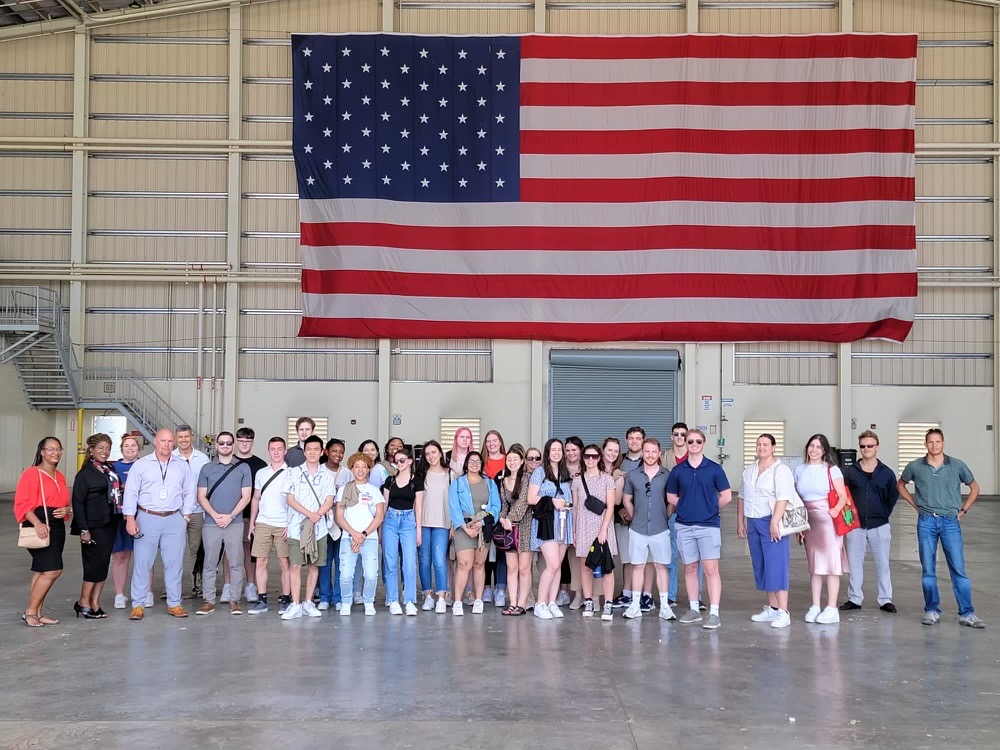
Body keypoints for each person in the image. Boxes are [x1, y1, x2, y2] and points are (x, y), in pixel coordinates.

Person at [898, 428, 985, 628]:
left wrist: (962, 510)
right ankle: (931, 610)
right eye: (931, 442)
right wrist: (915, 505)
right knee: (928, 569)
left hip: (950, 522)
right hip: (926, 521)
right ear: (925, 444)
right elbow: (900, 485)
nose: (934, 445)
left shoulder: (957, 465)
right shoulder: (915, 466)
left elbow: (975, 488)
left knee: (958, 569)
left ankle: (967, 613)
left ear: (943, 443)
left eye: (938, 442)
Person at [123, 428, 198, 621]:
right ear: (155, 441)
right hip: (147, 517)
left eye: (170, 441)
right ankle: (138, 604)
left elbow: (190, 489)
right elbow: (131, 492)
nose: (166, 444)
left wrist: (186, 515)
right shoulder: (141, 465)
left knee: (174, 563)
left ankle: (174, 603)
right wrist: (130, 518)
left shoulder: (181, 465)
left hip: (174, 518)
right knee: (142, 562)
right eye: (163, 441)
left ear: (174, 443)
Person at [666, 429, 731, 630]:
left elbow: (726, 496)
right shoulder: (678, 471)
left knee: (711, 569)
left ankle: (714, 613)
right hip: (684, 526)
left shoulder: (714, 469)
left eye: (698, 441)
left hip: (708, 526)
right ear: (685, 442)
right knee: (690, 568)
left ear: (704, 443)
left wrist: (709, 510)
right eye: (690, 441)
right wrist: (686, 508)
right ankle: (694, 609)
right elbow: (671, 497)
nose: (694, 444)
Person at [737, 433, 794, 629]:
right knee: (761, 565)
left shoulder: (781, 470)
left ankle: (783, 611)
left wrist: (774, 522)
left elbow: (783, 498)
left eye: (765, 444)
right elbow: (742, 496)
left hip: (771, 521)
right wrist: (740, 522)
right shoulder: (750, 470)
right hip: (753, 522)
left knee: (776, 565)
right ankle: (772, 608)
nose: (761, 447)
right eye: (759, 444)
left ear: (773, 447)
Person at [793, 434, 850, 625]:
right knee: (814, 566)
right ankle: (815, 605)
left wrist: (834, 511)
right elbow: (795, 498)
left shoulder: (832, 470)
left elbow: (842, 495)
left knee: (832, 565)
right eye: (811, 446)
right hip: (809, 521)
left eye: (818, 447)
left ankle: (832, 608)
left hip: (828, 521)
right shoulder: (799, 470)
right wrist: (799, 524)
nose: (814, 450)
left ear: (825, 451)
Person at [15, 437, 71, 627]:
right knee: (53, 569)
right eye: (51, 449)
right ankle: (30, 612)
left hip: (56, 526)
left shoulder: (60, 476)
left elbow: (64, 502)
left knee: (42, 571)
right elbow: (22, 503)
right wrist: (37, 523)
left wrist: (67, 510)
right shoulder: (32, 474)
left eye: (59, 449)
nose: (56, 452)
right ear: (42, 452)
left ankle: (37, 612)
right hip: (38, 525)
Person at [841, 431, 899, 614]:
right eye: (863, 446)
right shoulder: (850, 472)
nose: (866, 449)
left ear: (877, 447)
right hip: (855, 527)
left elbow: (892, 496)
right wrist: (849, 519)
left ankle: (885, 599)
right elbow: (844, 496)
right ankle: (854, 598)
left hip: (879, 525)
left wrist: (883, 513)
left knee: (882, 564)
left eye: (870, 446)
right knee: (854, 564)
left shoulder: (887, 474)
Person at [195, 431, 252, 616]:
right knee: (210, 563)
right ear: (217, 446)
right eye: (222, 443)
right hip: (212, 523)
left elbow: (246, 496)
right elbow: (201, 496)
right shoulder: (206, 469)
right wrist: (215, 514)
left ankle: (235, 600)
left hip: (234, 523)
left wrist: (231, 515)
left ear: (233, 445)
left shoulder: (243, 468)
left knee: (236, 563)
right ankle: (208, 600)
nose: (225, 446)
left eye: (229, 443)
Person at [281, 435, 335, 620]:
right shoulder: (293, 473)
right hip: (297, 527)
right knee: (295, 565)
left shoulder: (327, 474)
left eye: (316, 449)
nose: (312, 452)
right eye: (309, 449)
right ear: (304, 452)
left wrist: (317, 515)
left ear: (322, 452)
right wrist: (309, 514)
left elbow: (330, 499)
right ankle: (295, 604)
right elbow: (290, 499)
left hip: (319, 529)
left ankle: (308, 602)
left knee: (314, 565)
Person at [70, 433, 122, 619]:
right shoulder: (84, 474)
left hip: (109, 523)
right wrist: (84, 530)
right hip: (92, 526)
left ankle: (95, 602)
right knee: (93, 565)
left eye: (107, 448)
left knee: (102, 565)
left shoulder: (109, 468)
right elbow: (78, 503)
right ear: (91, 450)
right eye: (100, 448)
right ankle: (83, 602)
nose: (104, 452)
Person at [621, 437, 673, 621]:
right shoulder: (633, 476)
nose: (650, 455)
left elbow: (671, 501)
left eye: (654, 452)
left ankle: (665, 606)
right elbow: (626, 498)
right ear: (642, 452)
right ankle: (635, 605)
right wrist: (635, 515)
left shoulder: (667, 475)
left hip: (660, 529)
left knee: (661, 566)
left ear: (659, 454)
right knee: (638, 566)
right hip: (637, 529)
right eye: (647, 451)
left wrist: (664, 516)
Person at [449, 450, 501, 615]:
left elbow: (496, 507)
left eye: (478, 461)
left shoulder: (489, 483)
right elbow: (454, 507)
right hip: (463, 528)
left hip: (482, 528)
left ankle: (478, 600)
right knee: (464, 565)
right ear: (466, 464)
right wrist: (465, 528)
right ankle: (458, 601)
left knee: (479, 565)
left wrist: (482, 522)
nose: (474, 464)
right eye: (471, 461)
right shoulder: (458, 483)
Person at [527, 439, 573, 620]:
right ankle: (540, 603)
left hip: (564, 521)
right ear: (547, 452)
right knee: (552, 564)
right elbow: (531, 498)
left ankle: (551, 602)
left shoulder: (565, 472)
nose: (556, 452)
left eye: (559, 449)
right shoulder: (539, 472)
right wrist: (552, 501)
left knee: (558, 566)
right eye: (552, 449)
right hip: (547, 522)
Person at [336, 451, 386, 616]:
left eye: (364, 467)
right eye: (356, 466)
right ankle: (346, 601)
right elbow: (339, 516)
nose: (360, 470)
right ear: (351, 468)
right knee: (345, 575)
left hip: (369, 539)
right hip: (348, 538)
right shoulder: (344, 489)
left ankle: (368, 601)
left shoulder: (374, 490)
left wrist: (362, 534)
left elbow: (379, 517)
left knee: (371, 574)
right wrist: (353, 534)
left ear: (369, 469)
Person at [572, 444, 617, 621]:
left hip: (602, 527)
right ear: (583, 458)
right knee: (585, 566)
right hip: (583, 526)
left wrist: (603, 530)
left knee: (607, 567)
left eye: (594, 456)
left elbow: (611, 506)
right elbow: (576, 508)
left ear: (599, 458)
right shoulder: (577, 481)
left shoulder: (607, 479)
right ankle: (588, 600)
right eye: (587, 456)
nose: (591, 460)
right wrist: (574, 532)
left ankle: (608, 603)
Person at [247, 437, 291, 615]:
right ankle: (262, 599)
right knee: (261, 561)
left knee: (284, 563)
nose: (276, 452)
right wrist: (252, 523)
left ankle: (286, 599)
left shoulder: (291, 473)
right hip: (263, 522)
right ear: (268, 450)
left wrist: (291, 524)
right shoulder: (261, 473)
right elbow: (256, 498)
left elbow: (293, 500)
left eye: (279, 449)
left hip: (283, 523)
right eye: (273, 449)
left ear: (285, 451)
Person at [382, 447, 423, 615]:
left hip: (408, 521)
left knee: (409, 563)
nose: (399, 463)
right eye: (396, 461)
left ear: (410, 462)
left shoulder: (417, 481)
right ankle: (392, 599)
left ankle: (410, 600)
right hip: (390, 520)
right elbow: (383, 507)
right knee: (390, 562)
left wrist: (418, 530)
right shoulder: (389, 481)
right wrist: (379, 530)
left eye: (402, 460)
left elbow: (418, 508)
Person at [666, 422, 703, 609]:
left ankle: (697, 598)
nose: (680, 438)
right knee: (671, 557)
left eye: (683, 435)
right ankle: (671, 596)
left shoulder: (698, 459)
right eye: (677, 434)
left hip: (697, 517)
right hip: (673, 515)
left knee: (697, 560)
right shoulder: (664, 458)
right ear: (671, 437)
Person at [613, 426, 650, 610]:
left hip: (645, 519)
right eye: (631, 438)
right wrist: (620, 510)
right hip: (623, 518)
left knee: (646, 559)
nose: (634, 441)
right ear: (626, 440)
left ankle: (646, 595)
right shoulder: (618, 462)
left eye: (638, 438)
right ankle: (627, 593)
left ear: (643, 440)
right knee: (628, 558)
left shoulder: (650, 460)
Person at [173, 424, 210, 602]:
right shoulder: (170, 457)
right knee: (172, 549)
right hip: (175, 512)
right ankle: (171, 586)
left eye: (186, 437)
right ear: (176, 438)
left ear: (192, 437)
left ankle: (197, 584)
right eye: (180, 437)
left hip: (196, 511)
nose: (184, 440)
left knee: (196, 549)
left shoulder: (202, 459)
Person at [417, 440, 451, 614]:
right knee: (424, 560)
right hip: (423, 523)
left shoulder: (449, 474)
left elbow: (453, 501)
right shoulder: (421, 475)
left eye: (434, 452)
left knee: (439, 560)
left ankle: (441, 597)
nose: (431, 456)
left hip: (442, 523)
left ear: (440, 453)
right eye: (428, 453)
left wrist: (453, 523)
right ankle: (428, 595)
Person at [233, 427, 267, 603]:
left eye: (248, 441)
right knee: (229, 551)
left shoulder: (260, 465)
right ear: (236, 442)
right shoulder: (227, 461)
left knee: (249, 550)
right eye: (241, 441)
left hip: (250, 516)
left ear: (252, 442)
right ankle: (229, 586)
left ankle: (251, 585)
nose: (244, 444)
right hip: (229, 516)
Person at [497, 444, 532, 616]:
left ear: (522, 461)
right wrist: (503, 519)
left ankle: (522, 603)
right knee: (512, 567)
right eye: (509, 459)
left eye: (515, 459)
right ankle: (512, 602)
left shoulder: (526, 478)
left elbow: (523, 503)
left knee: (524, 568)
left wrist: (510, 518)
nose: (511, 462)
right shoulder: (504, 481)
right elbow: (504, 505)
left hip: (525, 526)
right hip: (509, 529)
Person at [317, 438, 350, 611]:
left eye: (341, 451)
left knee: (341, 561)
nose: (338, 454)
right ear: (326, 452)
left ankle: (338, 597)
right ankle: (324, 596)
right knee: (324, 561)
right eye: (334, 451)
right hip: (322, 522)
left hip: (341, 523)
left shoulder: (347, 473)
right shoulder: (318, 470)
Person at [111, 435, 141, 609]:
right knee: (121, 556)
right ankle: (119, 594)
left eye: (133, 445)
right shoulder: (113, 467)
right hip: (120, 519)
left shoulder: (146, 465)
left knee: (144, 557)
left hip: (142, 517)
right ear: (122, 449)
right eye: (127, 446)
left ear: (138, 448)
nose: (130, 448)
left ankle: (146, 592)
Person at [480, 429, 508, 607]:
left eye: (494, 440)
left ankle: (500, 589)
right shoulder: (481, 462)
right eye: (488, 441)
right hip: (484, 513)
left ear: (500, 442)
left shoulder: (508, 460)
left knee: (502, 553)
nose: (491, 444)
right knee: (484, 552)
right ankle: (486, 588)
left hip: (504, 511)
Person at [560, 435, 585, 610]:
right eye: (567, 450)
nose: (570, 453)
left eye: (574, 450)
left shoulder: (587, 467)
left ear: (581, 451)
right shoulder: (559, 468)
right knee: (561, 556)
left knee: (578, 557)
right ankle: (561, 591)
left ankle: (579, 594)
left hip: (582, 516)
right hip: (561, 516)